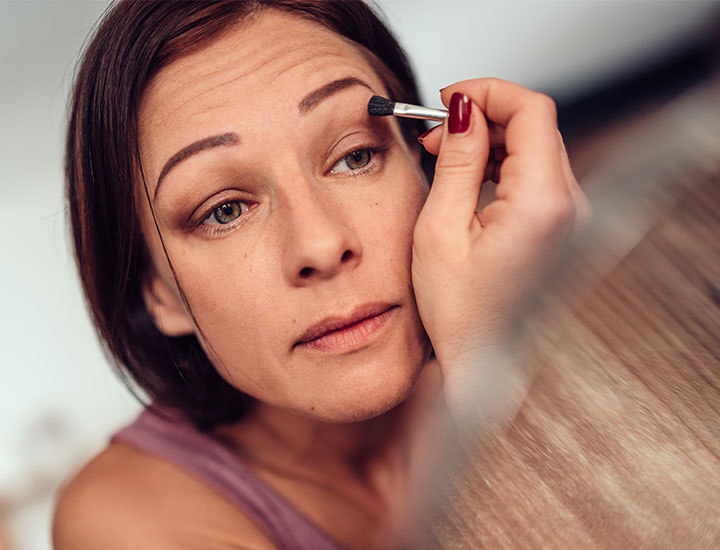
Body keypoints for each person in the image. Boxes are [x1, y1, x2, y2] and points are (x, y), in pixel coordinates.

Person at [52, 0, 589, 548]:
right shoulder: (126, 520)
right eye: (225, 210)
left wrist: (560, 320)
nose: (322, 245)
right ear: (156, 295)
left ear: (424, 163)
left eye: (355, 157)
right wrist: (492, 361)